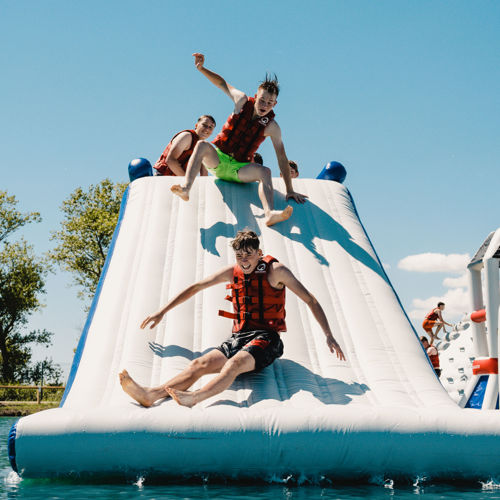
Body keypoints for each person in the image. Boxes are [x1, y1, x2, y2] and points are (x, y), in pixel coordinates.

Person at [119, 230, 345, 408]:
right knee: (200, 364)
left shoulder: (277, 271)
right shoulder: (233, 271)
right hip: (240, 337)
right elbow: (197, 287)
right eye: (239, 256)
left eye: (249, 255)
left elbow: (311, 300)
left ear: (259, 253)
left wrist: (328, 335)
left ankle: (195, 397)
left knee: (234, 363)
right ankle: (151, 395)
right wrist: (162, 311)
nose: (244, 261)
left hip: (267, 339)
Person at [170, 53, 307, 227]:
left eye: (269, 103)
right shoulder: (241, 101)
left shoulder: (272, 127)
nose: (264, 105)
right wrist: (202, 68)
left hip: (239, 169)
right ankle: (186, 188)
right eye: (262, 100)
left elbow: (281, 157)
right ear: (256, 97)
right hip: (218, 159)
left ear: (275, 104)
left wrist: (290, 190)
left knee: (265, 172)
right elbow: (221, 83)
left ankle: (270, 213)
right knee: (202, 144)